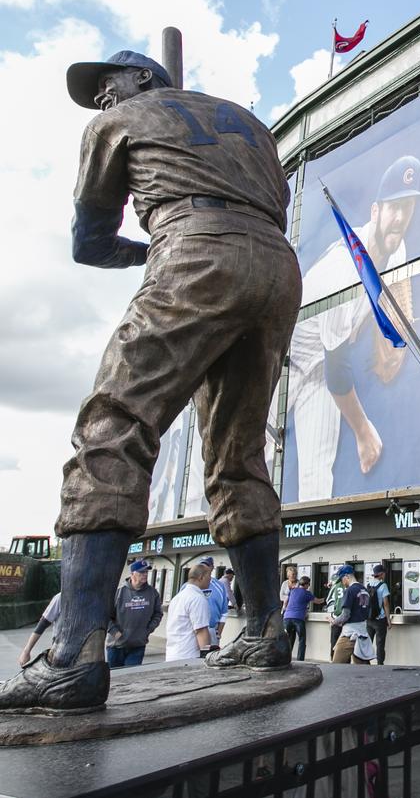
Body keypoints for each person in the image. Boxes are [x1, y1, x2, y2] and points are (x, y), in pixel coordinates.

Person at [0, 50, 301, 712]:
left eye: (109, 83)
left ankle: (75, 655)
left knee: (112, 427)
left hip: (195, 247)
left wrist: (156, 247)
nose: (104, 96)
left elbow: (89, 240)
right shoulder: (248, 122)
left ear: (142, 79)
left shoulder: (128, 115)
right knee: (237, 454)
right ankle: (263, 628)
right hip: (278, 266)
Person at [288, 157, 420, 497]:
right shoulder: (342, 271)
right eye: (393, 208)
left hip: (320, 365)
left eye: (407, 208)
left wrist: (394, 335)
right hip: (282, 356)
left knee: (318, 481)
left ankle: (313, 551)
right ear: (375, 210)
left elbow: (393, 295)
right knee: (249, 453)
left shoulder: (397, 247)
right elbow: (338, 369)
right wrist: (364, 433)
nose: (400, 218)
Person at [106, 559, 163, 667]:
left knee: (131, 678)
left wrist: (148, 629)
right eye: (141, 572)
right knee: (114, 678)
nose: (145, 575)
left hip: (138, 645)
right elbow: (106, 616)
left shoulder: (152, 593)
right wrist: (115, 632)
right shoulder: (118, 592)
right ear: (132, 574)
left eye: (146, 572)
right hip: (116, 646)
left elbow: (158, 614)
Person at [164, 564, 214, 662]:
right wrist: (206, 657)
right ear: (201, 577)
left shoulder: (177, 597)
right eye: (209, 576)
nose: (210, 579)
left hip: (173, 654)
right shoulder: (197, 599)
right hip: (189, 656)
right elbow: (201, 630)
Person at [331, 566, 374, 664]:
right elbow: (369, 612)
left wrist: (334, 622)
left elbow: (345, 615)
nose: (342, 582)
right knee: (362, 666)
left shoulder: (350, 590)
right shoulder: (364, 590)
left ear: (346, 576)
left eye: (342, 579)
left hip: (349, 633)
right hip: (363, 632)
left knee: (336, 665)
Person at [282, 575, 322, 661]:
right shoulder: (307, 593)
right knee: (302, 640)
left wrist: (285, 611)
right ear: (307, 585)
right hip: (298, 619)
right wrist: (327, 598)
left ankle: (285, 658)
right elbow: (318, 601)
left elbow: (285, 602)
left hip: (287, 618)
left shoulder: (292, 591)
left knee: (287, 640)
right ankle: (300, 660)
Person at [19, 594, 61, 667]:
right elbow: (43, 624)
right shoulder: (60, 598)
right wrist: (26, 651)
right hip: (60, 648)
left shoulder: (87, 598)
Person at [198, 555, 229, 644]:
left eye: (207, 565)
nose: (204, 568)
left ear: (212, 567)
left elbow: (224, 612)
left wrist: (218, 633)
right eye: (201, 565)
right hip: (193, 630)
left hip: (211, 630)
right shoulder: (189, 585)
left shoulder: (220, 586)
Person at [366, 564, 393, 665]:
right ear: (381, 574)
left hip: (369, 619)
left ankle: (365, 663)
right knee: (380, 644)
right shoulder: (383, 585)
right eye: (384, 573)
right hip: (380, 619)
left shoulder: (368, 585)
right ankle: (380, 664)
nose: (385, 574)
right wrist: (388, 620)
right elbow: (386, 603)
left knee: (368, 643)